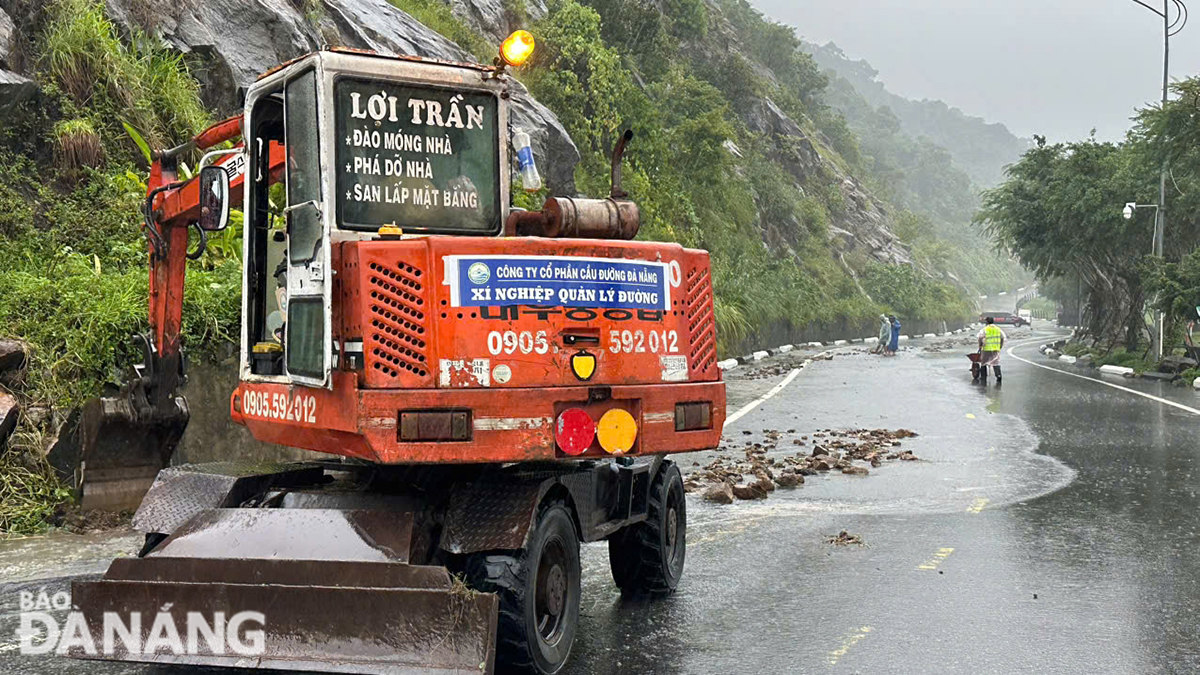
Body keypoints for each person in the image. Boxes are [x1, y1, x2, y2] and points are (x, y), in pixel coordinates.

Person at [977, 316, 1005, 384]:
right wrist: (1000, 346)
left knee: (983, 363)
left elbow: (979, 337)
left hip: (986, 349)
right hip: (995, 349)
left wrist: (980, 346)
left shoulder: (984, 329)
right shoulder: (998, 329)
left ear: (986, 322)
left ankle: (984, 377)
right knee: (996, 363)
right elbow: (1002, 337)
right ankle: (998, 376)